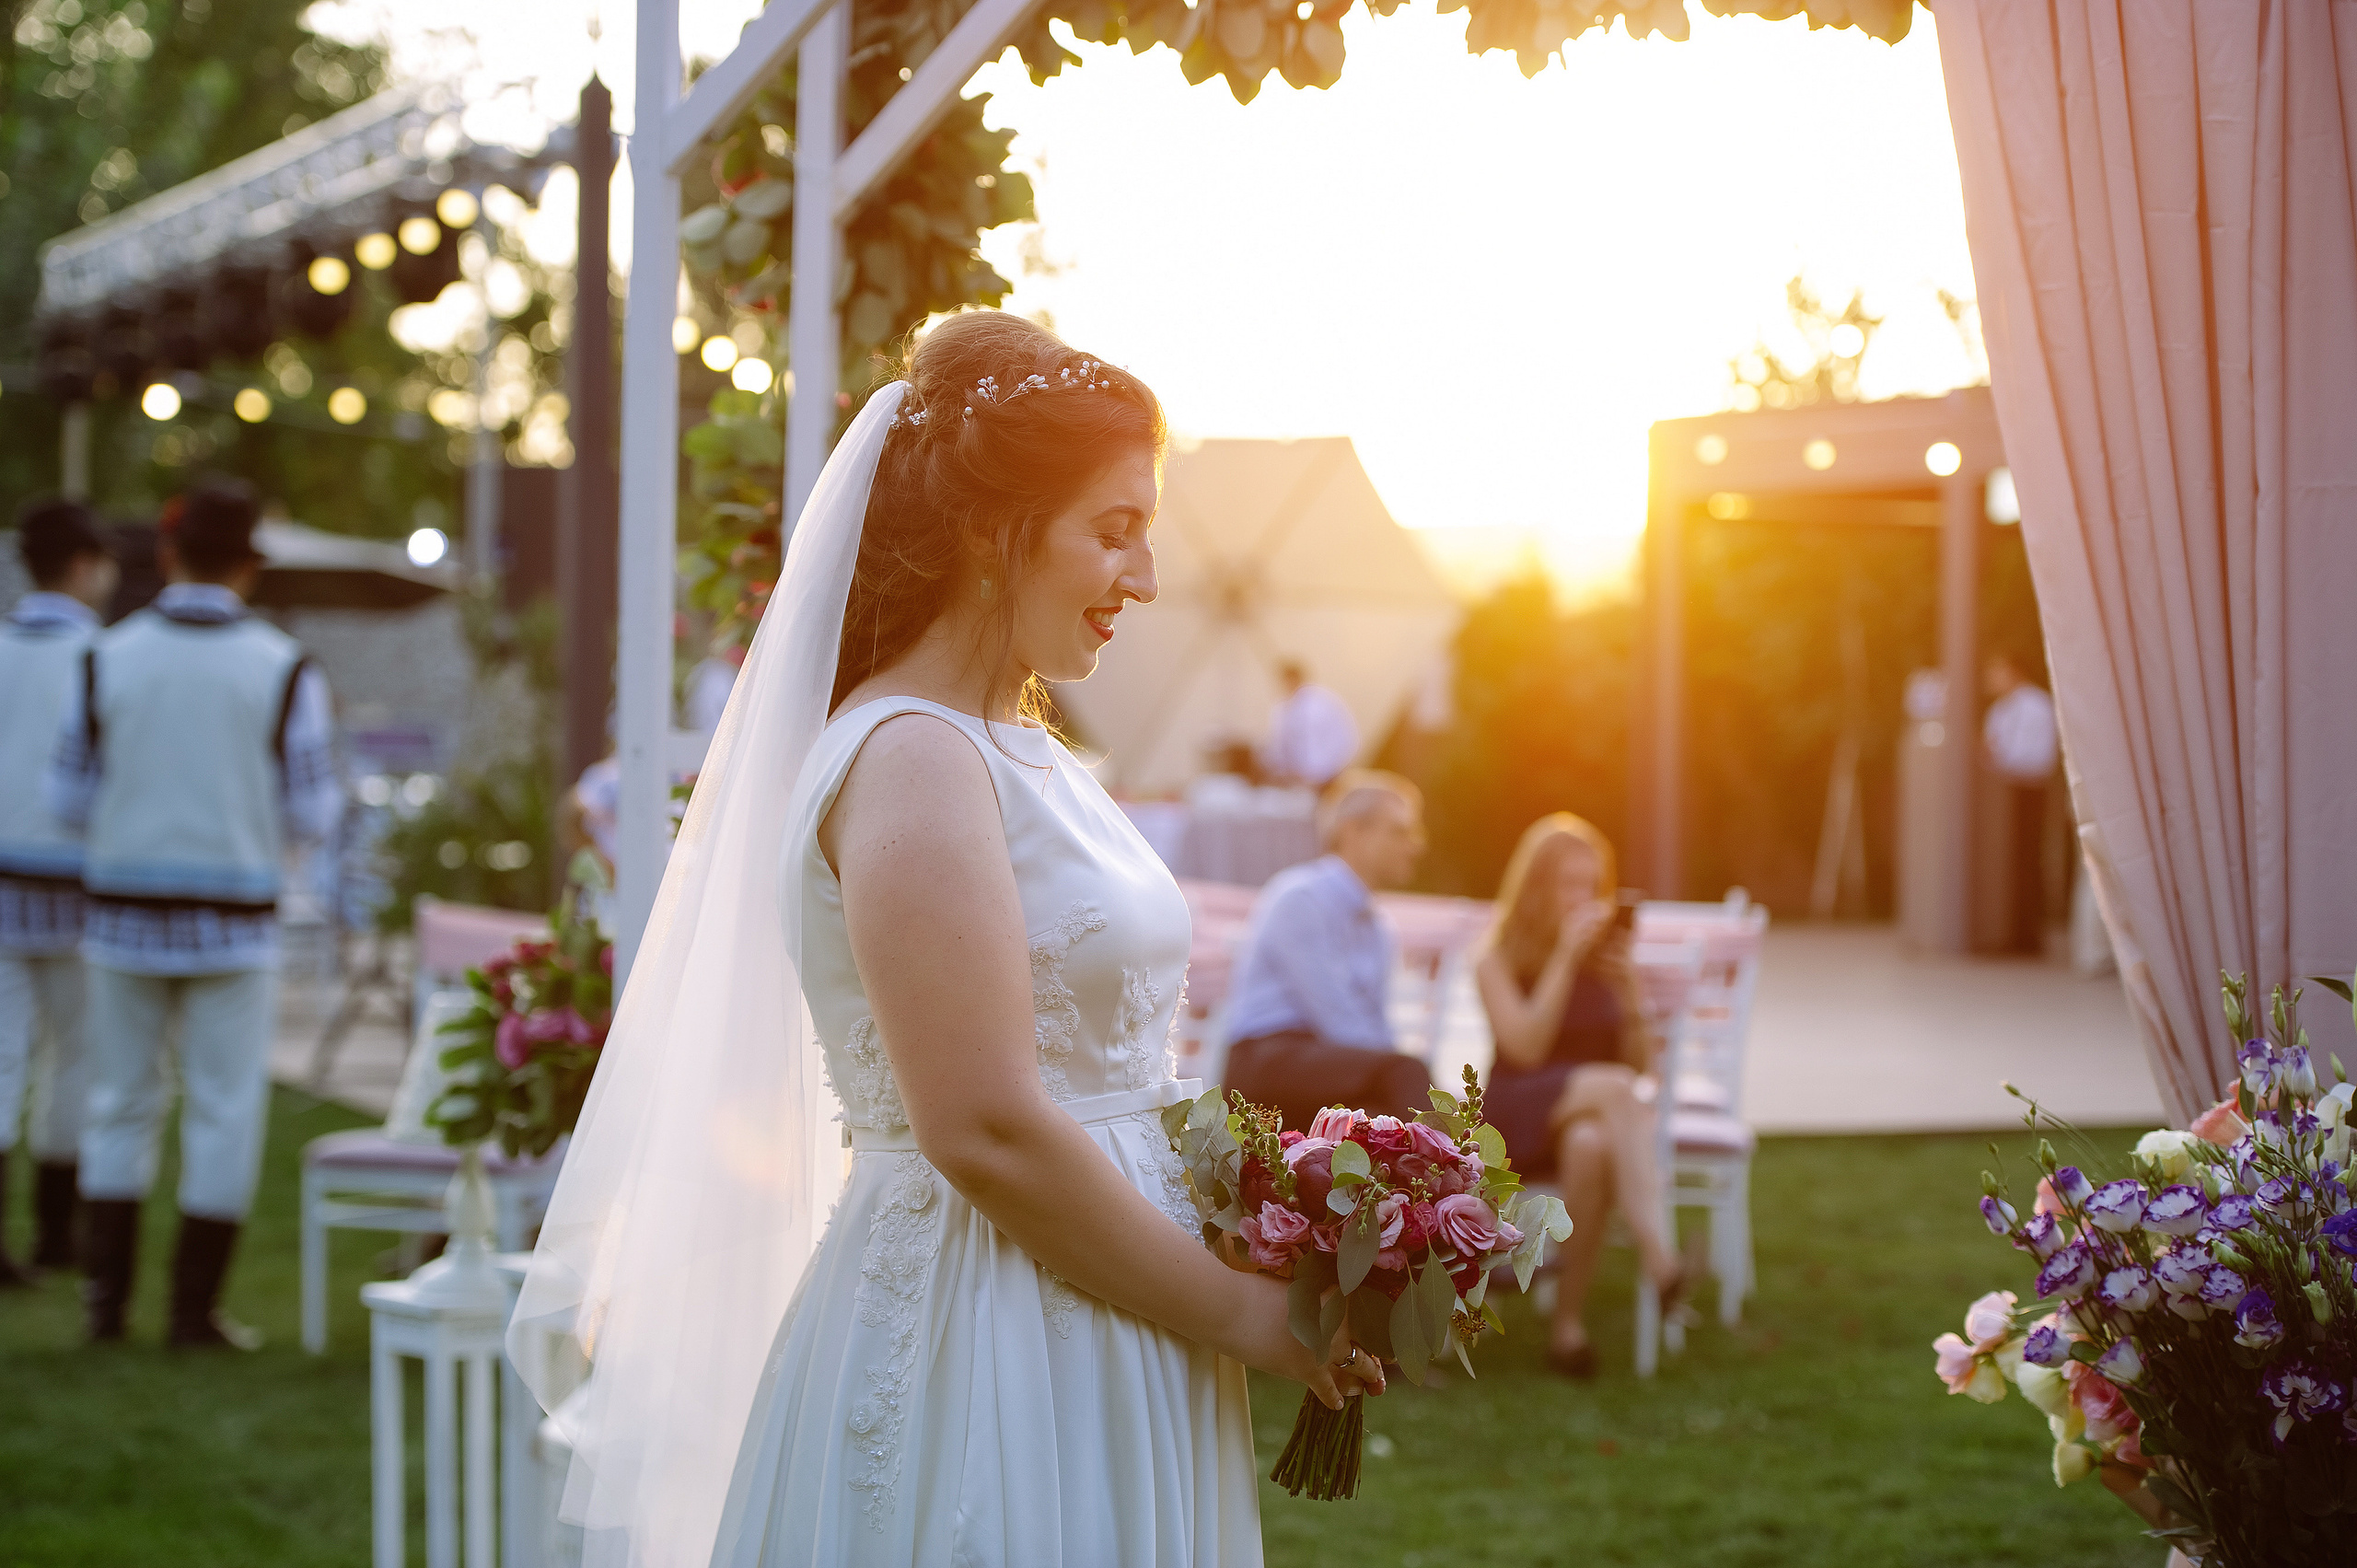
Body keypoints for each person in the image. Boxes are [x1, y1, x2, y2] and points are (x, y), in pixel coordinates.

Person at [506, 313, 1382, 1565]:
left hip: (1114, 1302)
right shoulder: (914, 753)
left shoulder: (1033, 750)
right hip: (996, 1323)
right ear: (992, 531)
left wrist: (1277, 1213)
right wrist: (1243, 1314)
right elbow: (980, 1124)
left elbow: (1112, 1067)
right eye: (1113, 527)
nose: (1145, 575)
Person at [47, 478, 342, 1347]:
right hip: (236, 916)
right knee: (221, 1106)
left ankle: (106, 1306)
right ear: (251, 564)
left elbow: (66, 796)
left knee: (117, 1102)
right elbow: (313, 814)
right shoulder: (283, 666)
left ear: (169, 554)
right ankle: (191, 1311)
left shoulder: (105, 656)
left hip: (123, 913)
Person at [1473, 814, 1684, 1379]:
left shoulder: (1606, 962)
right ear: (1536, 888)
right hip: (1515, 1114)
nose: (1584, 898)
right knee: (1613, 1089)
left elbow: (1641, 1066)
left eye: (1593, 885)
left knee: (1593, 1144)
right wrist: (1564, 958)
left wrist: (1629, 992)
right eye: (1569, 883)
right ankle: (1659, 1258)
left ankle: (1567, 1328)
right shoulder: (1495, 958)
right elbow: (1524, 1047)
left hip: (1584, 1118)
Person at [0, 500, 117, 1285]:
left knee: (4, 1055)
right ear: (83, 563)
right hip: (80, 880)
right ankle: (56, 1231)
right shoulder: (105, 656)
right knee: (77, 1057)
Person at [1220, 771, 1433, 1131]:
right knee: (1404, 1073)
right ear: (1352, 831)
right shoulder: (1302, 898)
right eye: (1399, 831)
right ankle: (1464, 1173)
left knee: (1384, 1108)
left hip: (1327, 1064)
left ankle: (1448, 1175)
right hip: (1265, 1063)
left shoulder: (1379, 928)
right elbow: (1337, 1018)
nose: (1415, 845)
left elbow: (1372, 1030)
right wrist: (1401, 1072)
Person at [1982, 654, 2059, 956]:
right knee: (2006, 864)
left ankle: (2028, 936)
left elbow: (2036, 757)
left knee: (2025, 862)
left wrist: (2000, 761)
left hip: (2027, 793)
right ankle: (2007, 931)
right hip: (2001, 796)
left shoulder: (2037, 706)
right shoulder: (1999, 710)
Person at [1258, 658, 1358, 788]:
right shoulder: (1282, 707)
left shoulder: (1321, 704)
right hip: (1296, 779)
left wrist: (1321, 773)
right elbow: (1279, 744)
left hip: (1324, 776)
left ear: (1296, 679)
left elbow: (1345, 739)